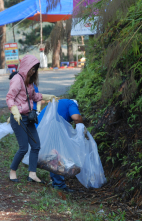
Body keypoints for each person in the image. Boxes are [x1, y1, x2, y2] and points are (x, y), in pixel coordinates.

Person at [6, 55, 57, 183]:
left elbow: (34, 96)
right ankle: (12, 171)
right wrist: (15, 112)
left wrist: (47, 96)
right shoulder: (17, 80)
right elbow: (9, 98)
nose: (33, 71)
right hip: (18, 118)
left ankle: (32, 174)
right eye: (32, 69)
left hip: (28, 118)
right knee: (23, 148)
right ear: (26, 67)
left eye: (35, 69)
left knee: (36, 145)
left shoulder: (29, 82)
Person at [36, 99, 88, 193]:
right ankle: (59, 185)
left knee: (51, 153)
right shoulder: (71, 103)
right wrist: (81, 126)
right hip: (50, 128)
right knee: (58, 153)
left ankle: (52, 180)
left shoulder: (58, 103)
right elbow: (76, 117)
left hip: (38, 128)